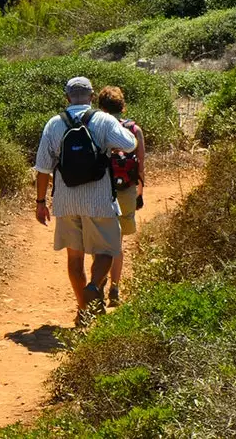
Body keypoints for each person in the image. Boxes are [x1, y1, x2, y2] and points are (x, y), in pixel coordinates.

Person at [34, 76, 137, 325]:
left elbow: (43, 169)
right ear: (91, 97)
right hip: (99, 199)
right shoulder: (103, 119)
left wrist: (40, 202)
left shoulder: (54, 124)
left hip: (66, 201)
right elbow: (130, 144)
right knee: (108, 250)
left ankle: (83, 310)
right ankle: (93, 286)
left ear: (67, 97)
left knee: (74, 258)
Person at [95, 86, 145, 307]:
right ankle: (115, 289)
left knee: (100, 243)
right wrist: (140, 192)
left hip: (100, 191)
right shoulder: (134, 129)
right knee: (117, 242)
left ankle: (98, 285)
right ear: (122, 105)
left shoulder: (96, 128)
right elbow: (141, 166)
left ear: (101, 106)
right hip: (125, 190)